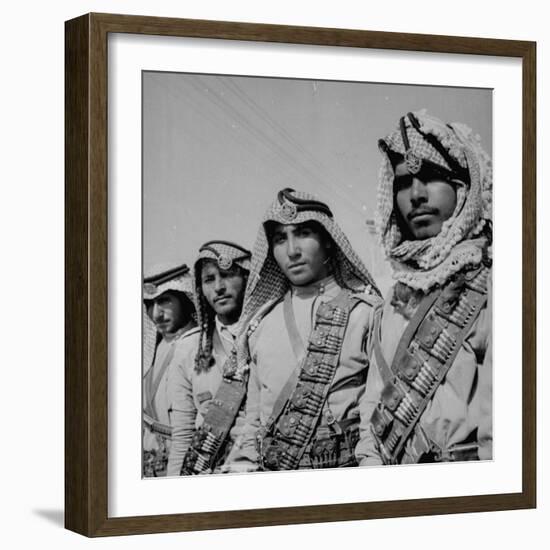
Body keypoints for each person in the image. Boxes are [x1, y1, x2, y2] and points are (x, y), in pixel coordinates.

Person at [356, 110, 493, 466]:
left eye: (430, 177)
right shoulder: (394, 298)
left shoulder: (493, 284)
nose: (415, 195)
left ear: (462, 189)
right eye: (403, 183)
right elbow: (373, 400)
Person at [227, 188, 381, 472]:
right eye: (280, 239)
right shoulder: (260, 325)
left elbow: (376, 420)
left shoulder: (365, 313)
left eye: (304, 234)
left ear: (329, 241)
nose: (292, 250)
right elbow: (253, 423)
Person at [166, 240, 251, 475]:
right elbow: (182, 436)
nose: (219, 287)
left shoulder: (269, 334)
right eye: (209, 279)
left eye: (227, 275)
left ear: (247, 278)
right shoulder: (188, 349)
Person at [142, 263, 196, 477]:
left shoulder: (200, 344)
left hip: (183, 462)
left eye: (164, 301)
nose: (156, 314)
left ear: (184, 299)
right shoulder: (152, 346)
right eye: (149, 303)